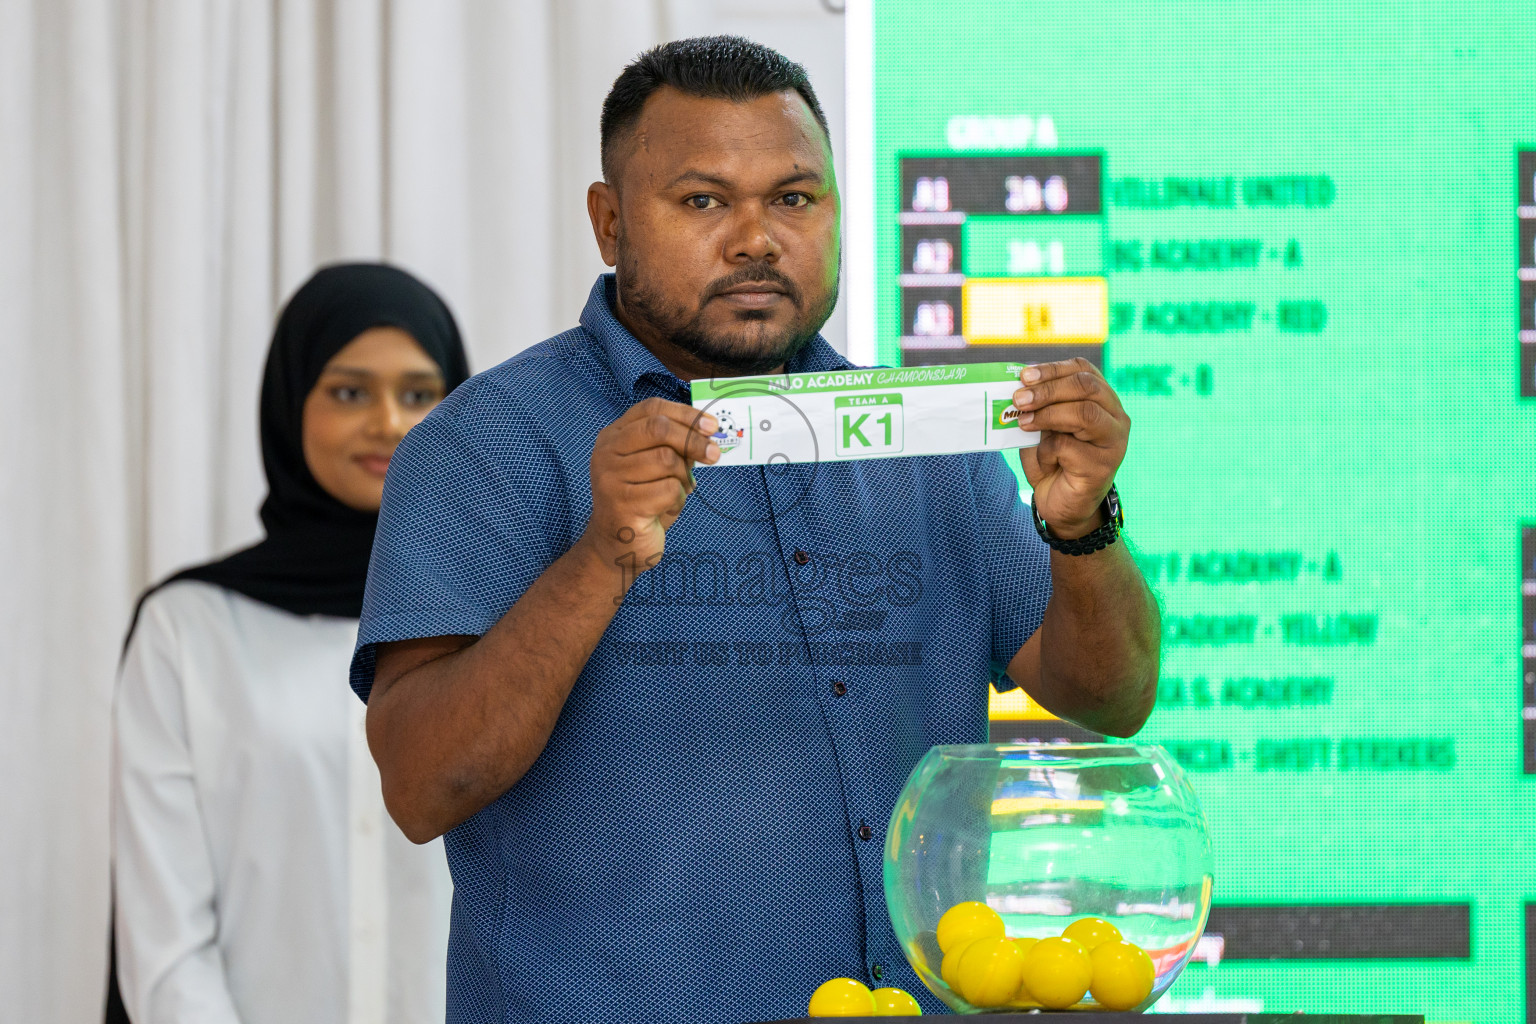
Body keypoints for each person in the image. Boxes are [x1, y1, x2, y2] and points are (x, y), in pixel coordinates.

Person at [354, 36, 1159, 1024]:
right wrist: (601, 558)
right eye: (703, 200)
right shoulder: (485, 445)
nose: (755, 238)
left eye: (793, 197)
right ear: (608, 224)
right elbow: (423, 785)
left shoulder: (928, 435)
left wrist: (1083, 531)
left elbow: (1110, 697)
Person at [113, 263, 471, 1024]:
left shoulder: (515, 623)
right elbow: (167, 944)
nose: (388, 422)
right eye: (348, 391)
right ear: (289, 402)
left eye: (418, 393)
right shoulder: (190, 629)